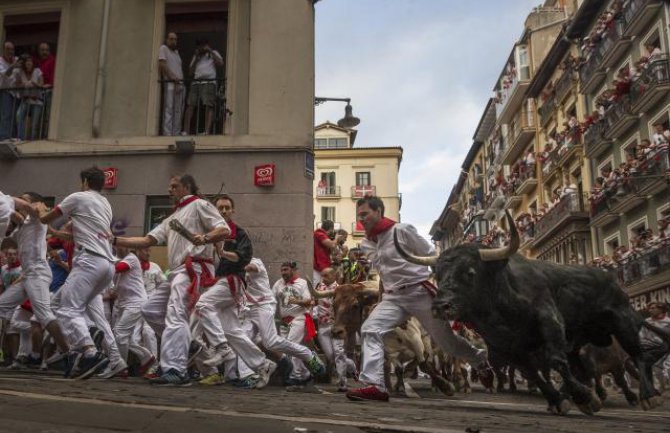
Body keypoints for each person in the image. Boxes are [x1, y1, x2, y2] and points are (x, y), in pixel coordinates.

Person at [346, 196, 489, 402]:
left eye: (365, 214)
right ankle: (375, 386)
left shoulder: (401, 230)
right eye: (359, 216)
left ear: (379, 212)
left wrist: (447, 287)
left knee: (447, 344)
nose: (362, 219)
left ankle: (479, 361)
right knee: (370, 329)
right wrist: (380, 299)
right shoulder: (366, 244)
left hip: (419, 292)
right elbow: (383, 274)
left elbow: (432, 255)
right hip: (393, 298)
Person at [113, 174, 230, 386]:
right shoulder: (172, 218)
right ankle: (188, 345)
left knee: (176, 314)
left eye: (174, 186)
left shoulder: (199, 205)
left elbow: (224, 229)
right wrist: (112, 239)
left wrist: (204, 238)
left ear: (186, 187)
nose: (169, 190)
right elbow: (147, 240)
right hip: (177, 271)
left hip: (193, 268)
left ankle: (175, 369)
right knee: (150, 310)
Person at [37, 167, 118, 379]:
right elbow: (80, 236)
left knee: (67, 309)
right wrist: (56, 233)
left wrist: (38, 210)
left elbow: (47, 218)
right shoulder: (105, 203)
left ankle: (90, 351)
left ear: (84, 182)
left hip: (89, 261)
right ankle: (84, 340)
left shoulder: (78, 197)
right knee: (68, 306)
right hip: (106, 264)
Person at [194, 195, 279, 388]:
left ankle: (222, 348)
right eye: (220, 208)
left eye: (227, 208)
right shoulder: (209, 231)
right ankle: (262, 364)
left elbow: (243, 258)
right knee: (232, 331)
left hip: (232, 281)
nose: (223, 211)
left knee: (203, 304)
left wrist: (223, 253)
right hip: (220, 284)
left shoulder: (239, 234)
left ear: (233, 211)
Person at [0, 193, 70, 368]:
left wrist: (32, 206)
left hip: (38, 273)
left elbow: (32, 209)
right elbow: (10, 231)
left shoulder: (38, 220)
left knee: (44, 314)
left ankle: (69, 352)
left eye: (26, 199)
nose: (21, 203)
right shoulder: (21, 227)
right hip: (27, 276)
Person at [272, 261, 320, 388]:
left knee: (291, 346)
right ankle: (305, 375)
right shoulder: (278, 283)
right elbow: (271, 300)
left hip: (298, 318)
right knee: (288, 349)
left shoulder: (302, 283)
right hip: (283, 321)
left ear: (293, 270)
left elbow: (310, 302)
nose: (283, 273)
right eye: (282, 270)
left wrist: (296, 301)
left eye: (286, 270)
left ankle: (295, 376)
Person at [315, 267, 357, 391]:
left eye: (326, 276)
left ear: (334, 276)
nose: (323, 278)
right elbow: (314, 301)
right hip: (322, 326)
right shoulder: (318, 287)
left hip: (336, 325)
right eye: (322, 276)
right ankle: (353, 367)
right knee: (330, 356)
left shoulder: (342, 290)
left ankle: (342, 382)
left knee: (339, 353)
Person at [182, 38, 223, 135]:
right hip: (196, 82)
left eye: (203, 45)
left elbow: (220, 63)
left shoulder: (213, 53)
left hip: (209, 82)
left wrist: (210, 51)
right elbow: (190, 72)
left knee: (208, 105)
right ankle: (185, 131)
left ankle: (207, 131)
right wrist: (196, 57)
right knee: (190, 105)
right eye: (199, 45)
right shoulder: (196, 56)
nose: (201, 47)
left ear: (207, 45)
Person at [158, 32, 184, 136]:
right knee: (169, 108)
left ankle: (176, 132)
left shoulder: (177, 54)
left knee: (178, 110)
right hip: (170, 84)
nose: (174, 41)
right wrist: (172, 77)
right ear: (167, 39)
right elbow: (162, 64)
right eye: (171, 39)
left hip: (180, 84)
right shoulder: (163, 49)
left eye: (175, 39)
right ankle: (167, 134)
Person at [13, 54, 45, 141]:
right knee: (19, 116)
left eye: (30, 61)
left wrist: (35, 84)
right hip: (26, 100)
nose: (29, 63)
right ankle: (20, 138)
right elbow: (17, 84)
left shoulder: (37, 71)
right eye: (27, 61)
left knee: (34, 124)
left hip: (37, 101)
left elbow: (41, 85)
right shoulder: (20, 72)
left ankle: (33, 142)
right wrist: (23, 84)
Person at [313, 220, 343, 286]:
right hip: (319, 265)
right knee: (318, 286)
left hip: (322, 265)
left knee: (323, 286)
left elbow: (334, 249)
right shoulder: (319, 233)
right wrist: (336, 238)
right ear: (331, 229)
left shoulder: (321, 235)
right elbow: (332, 245)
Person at [0, 41, 19, 139]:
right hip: (5, 92)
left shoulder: (16, 60)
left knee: (16, 116)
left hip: (17, 93)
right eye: (8, 49)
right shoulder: (0, 61)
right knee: (6, 115)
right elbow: (6, 74)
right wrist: (13, 66)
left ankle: (13, 137)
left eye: (12, 49)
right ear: (3, 50)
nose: (10, 51)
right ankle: (3, 138)